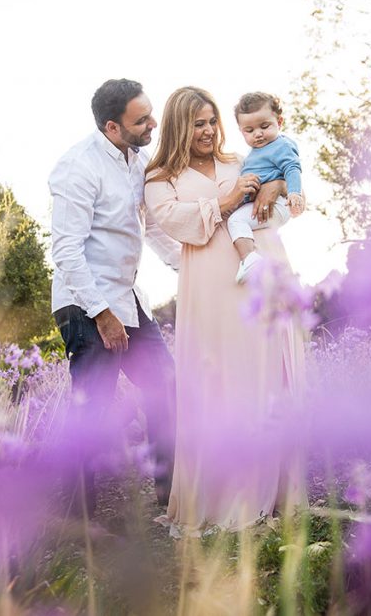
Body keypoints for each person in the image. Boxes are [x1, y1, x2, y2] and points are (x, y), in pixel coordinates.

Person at [143, 86, 306, 536]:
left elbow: (276, 204)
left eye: (213, 121)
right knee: (220, 381)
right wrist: (226, 201)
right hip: (211, 285)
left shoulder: (240, 161)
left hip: (263, 271)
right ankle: (223, 499)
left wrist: (274, 186)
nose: (209, 130)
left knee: (265, 378)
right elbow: (174, 222)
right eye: (198, 123)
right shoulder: (160, 176)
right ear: (179, 125)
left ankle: (271, 496)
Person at [49, 78, 181, 517]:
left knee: (166, 386)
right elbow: (66, 250)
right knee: (93, 410)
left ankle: (170, 496)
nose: (153, 124)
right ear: (112, 126)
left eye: (150, 113)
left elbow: (156, 229)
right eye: (141, 120)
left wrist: (191, 269)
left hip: (128, 298)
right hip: (85, 304)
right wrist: (102, 314)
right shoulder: (77, 168)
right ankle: (80, 521)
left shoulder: (139, 161)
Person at [227, 92, 306, 283]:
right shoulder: (254, 152)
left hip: (278, 204)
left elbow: (292, 168)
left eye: (264, 126)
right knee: (238, 218)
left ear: (279, 121)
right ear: (241, 131)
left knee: (236, 221)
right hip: (268, 204)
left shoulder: (281, 145)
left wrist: (294, 193)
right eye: (249, 130)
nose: (258, 134)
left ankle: (250, 259)